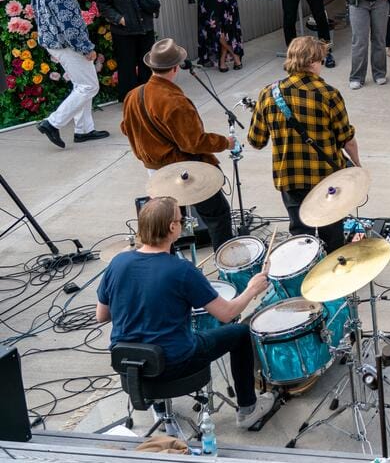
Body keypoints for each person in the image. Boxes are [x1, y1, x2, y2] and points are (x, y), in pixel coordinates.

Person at [95, 197, 276, 430]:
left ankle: (159, 407)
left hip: (128, 363)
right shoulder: (181, 270)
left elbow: (102, 315)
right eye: (181, 221)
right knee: (240, 332)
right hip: (174, 363)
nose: (182, 224)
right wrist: (252, 289)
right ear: (172, 227)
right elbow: (226, 314)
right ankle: (248, 410)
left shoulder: (118, 262)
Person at [119, 38, 235, 250]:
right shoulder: (174, 101)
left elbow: (126, 128)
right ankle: (225, 261)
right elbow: (193, 143)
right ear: (175, 67)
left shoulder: (133, 95)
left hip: (154, 171)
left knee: (165, 224)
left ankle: (163, 260)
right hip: (184, 170)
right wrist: (225, 143)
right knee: (217, 215)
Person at [247, 36, 361, 252]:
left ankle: (305, 268)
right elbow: (346, 139)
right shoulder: (328, 94)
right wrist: (357, 165)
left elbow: (256, 141)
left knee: (301, 238)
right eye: (321, 60)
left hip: (290, 178)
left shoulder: (268, 93)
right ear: (312, 62)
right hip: (326, 178)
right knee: (332, 235)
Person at [33, 0, 108, 149]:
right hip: (67, 45)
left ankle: (84, 130)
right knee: (89, 86)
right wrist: (86, 48)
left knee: (81, 84)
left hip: (54, 43)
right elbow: (71, 27)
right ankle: (52, 123)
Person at [96, 0, 161, 96]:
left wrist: (150, 9)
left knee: (147, 64)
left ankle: (147, 96)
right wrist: (119, 19)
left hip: (145, 28)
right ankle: (130, 99)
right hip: (124, 32)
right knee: (127, 67)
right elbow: (103, 4)